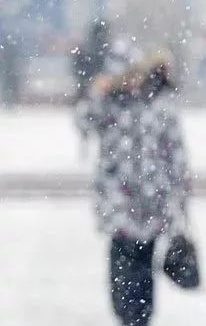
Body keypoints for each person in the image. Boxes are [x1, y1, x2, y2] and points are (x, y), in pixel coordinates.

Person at [87, 46, 191, 326]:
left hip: (152, 203)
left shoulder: (160, 104)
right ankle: (128, 317)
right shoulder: (109, 103)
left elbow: (176, 156)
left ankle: (139, 319)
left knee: (143, 277)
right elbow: (84, 122)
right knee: (122, 278)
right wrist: (98, 91)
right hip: (118, 203)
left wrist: (179, 200)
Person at [73, 19, 110, 158]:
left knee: (86, 124)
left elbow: (78, 68)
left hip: (88, 92)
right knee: (102, 125)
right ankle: (98, 150)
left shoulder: (86, 49)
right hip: (100, 92)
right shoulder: (105, 50)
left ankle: (85, 149)